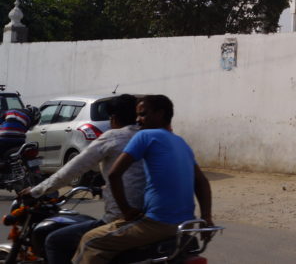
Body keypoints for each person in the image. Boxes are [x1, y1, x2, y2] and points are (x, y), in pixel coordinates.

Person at [73, 95, 213, 264]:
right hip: (186, 224)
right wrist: (206, 217)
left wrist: (126, 210)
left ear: (160, 114)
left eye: (143, 114)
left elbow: (114, 174)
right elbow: (202, 182)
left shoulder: (145, 136)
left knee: (90, 240)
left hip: (158, 224)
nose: (138, 120)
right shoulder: (180, 141)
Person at [21, 94, 144, 264]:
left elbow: (71, 171)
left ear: (113, 118)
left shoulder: (113, 137)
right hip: (151, 216)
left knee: (54, 241)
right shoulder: (149, 137)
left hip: (120, 219)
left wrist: (35, 191)